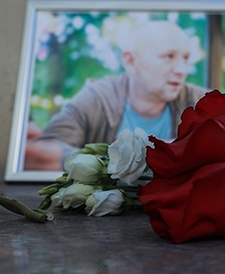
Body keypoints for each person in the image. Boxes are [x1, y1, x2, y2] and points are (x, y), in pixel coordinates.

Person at [24, 21, 208, 170]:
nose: (182, 70)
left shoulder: (201, 102)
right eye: (169, 56)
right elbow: (41, 152)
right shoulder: (97, 98)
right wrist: (133, 159)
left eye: (185, 58)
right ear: (131, 61)